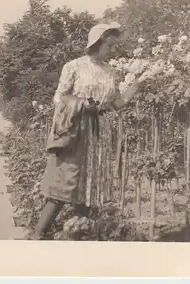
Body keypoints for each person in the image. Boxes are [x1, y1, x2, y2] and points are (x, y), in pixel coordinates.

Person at [34, 22, 145, 239]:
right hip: (75, 130)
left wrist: (137, 85)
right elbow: (59, 98)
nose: (113, 50)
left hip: (99, 131)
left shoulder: (110, 71)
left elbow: (116, 103)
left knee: (90, 185)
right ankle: (39, 233)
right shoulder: (74, 67)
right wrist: (81, 104)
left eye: (114, 46)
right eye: (110, 45)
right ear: (97, 43)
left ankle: (77, 232)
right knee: (64, 181)